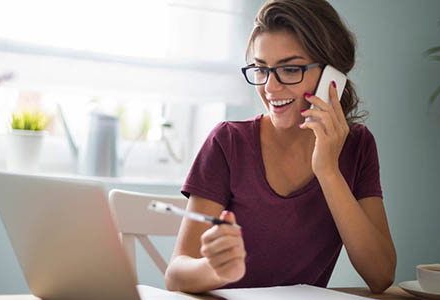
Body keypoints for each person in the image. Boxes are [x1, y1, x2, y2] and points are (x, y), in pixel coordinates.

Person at [165, 0, 396, 294]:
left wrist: (327, 170)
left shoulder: (358, 146)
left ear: (332, 77)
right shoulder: (228, 143)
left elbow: (381, 275)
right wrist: (215, 269)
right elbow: (175, 274)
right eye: (261, 69)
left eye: (289, 69)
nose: (270, 88)